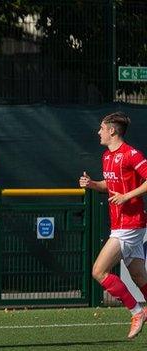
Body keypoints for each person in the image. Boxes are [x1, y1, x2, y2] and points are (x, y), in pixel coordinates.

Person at [79, 111, 147, 339]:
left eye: (101, 128)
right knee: (138, 276)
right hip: (121, 224)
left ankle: (137, 311)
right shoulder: (107, 156)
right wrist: (92, 184)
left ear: (112, 130)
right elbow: (110, 185)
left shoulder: (132, 154)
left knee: (98, 271)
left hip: (129, 224)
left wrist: (127, 197)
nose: (98, 132)